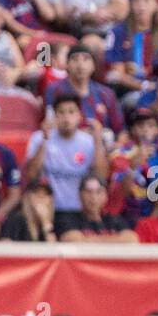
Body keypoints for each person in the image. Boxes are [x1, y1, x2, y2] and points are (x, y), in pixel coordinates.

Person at [24, 94, 108, 235]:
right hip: (48, 210)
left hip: (80, 212)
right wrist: (45, 140)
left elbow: (101, 176)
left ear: (79, 116)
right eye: (61, 112)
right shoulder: (39, 137)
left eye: (71, 112)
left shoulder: (89, 142)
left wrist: (98, 142)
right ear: (54, 116)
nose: (66, 118)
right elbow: (31, 175)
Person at [45, 45, 123, 136]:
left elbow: (121, 131)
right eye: (75, 59)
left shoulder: (107, 93)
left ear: (94, 66)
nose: (80, 65)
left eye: (86, 59)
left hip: (104, 145)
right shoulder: (54, 89)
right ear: (67, 65)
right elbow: (49, 124)